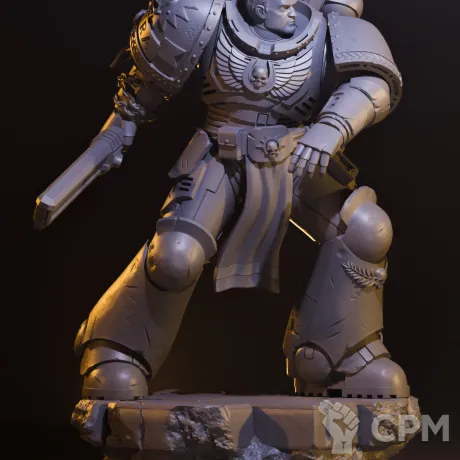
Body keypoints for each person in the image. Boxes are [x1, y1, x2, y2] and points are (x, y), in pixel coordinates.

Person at [38, 0, 410, 401]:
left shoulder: (329, 28)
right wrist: (115, 131)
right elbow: (142, 91)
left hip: (296, 156)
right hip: (221, 155)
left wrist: (332, 126)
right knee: (175, 257)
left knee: (366, 230)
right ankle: (117, 349)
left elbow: (373, 82)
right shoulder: (199, 14)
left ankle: (338, 358)